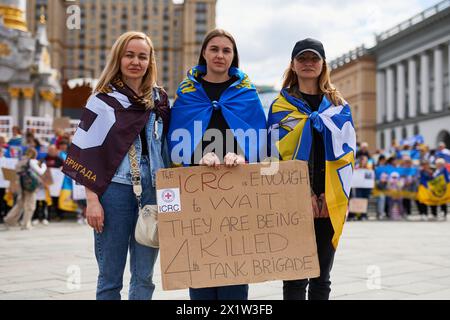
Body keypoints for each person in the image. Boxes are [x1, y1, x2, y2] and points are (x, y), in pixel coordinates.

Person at [62, 31, 170, 300]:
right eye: (129, 55)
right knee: (110, 278)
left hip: (152, 193)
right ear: (119, 58)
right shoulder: (102, 100)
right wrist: (92, 200)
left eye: (142, 56)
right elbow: (86, 152)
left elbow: (169, 148)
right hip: (114, 193)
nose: (136, 61)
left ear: (150, 61)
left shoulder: (159, 100)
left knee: (144, 278)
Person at [168, 29, 266, 300]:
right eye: (214, 49)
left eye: (226, 50)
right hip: (197, 188)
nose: (220, 55)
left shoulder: (247, 93)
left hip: (237, 189)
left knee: (235, 267)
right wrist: (196, 158)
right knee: (199, 266)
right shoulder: (187, 93)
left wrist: (243, 157)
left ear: (234, 56)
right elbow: (176, 137)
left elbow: (258, 137)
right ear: (204, 53)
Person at [267, 38, 356, 300]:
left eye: (313, 59)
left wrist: (329, 196)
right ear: (293, 65)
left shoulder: (339, 106)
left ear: (322, 64)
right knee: (294, 277)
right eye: (302, 59)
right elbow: (274, 156)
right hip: (293, 200)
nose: (308, 63)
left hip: (331, 199)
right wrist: (302, 194)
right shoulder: (280, 107)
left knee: (321, 277)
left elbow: (348, 156)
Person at [3, 147, 47, 230]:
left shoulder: (20, 161)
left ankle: (9, 220)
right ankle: (26, 224)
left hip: (21, 185)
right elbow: (40, 172)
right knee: (30, 205)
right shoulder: (31, 161)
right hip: (30, 186)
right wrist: (44, 166)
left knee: (19, 204)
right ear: (34, 154)